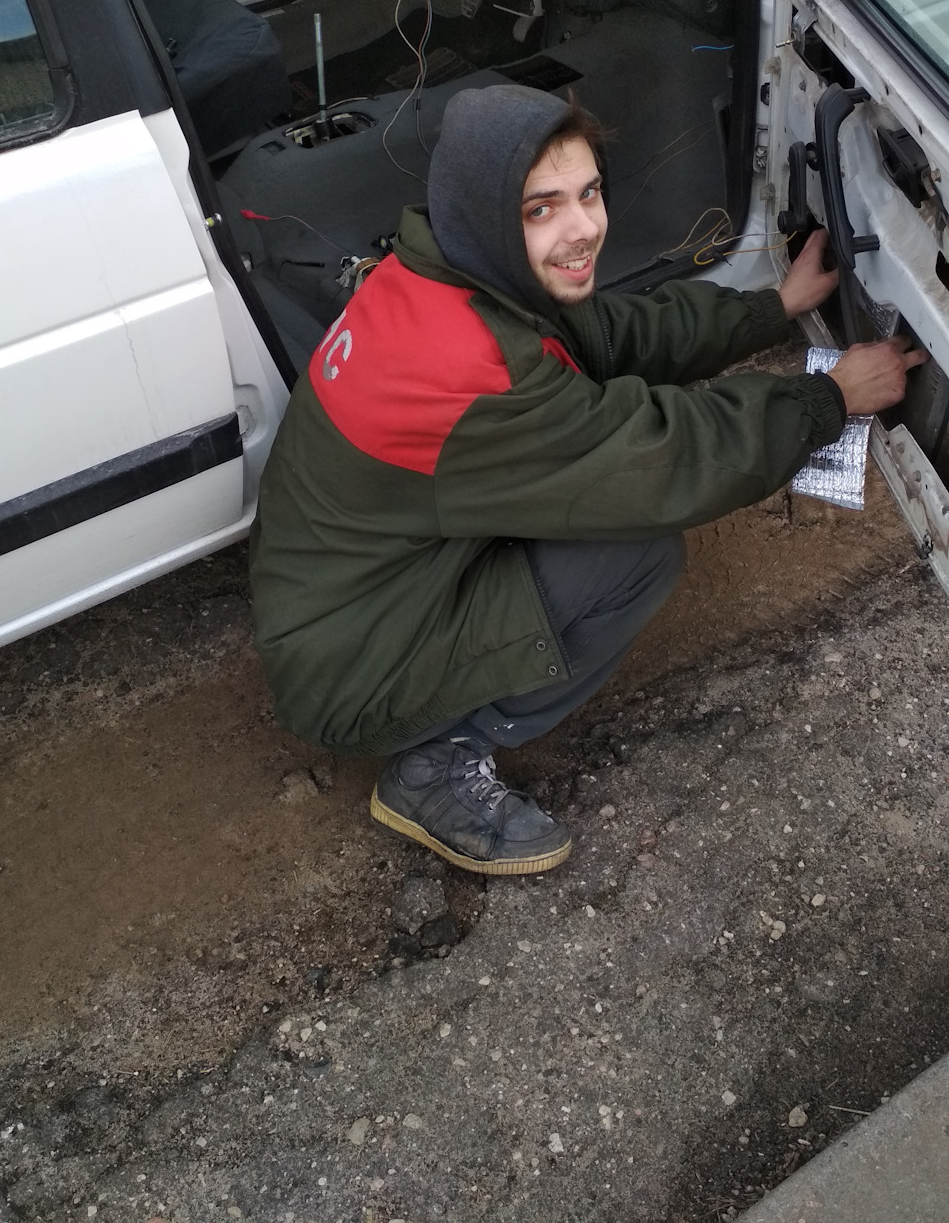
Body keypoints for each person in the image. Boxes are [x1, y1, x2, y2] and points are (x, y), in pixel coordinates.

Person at [250, 82, 925, 875]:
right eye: (542, 208)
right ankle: (436, 762)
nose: (584, 230)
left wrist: (771, 306)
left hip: (352, 586)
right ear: (487, 210)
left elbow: (610, 331)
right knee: (637, 554)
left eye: (590, 192)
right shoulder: (471, 374)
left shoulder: (449, 271)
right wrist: (830, 397)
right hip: (349, 669)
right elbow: (664, 459)